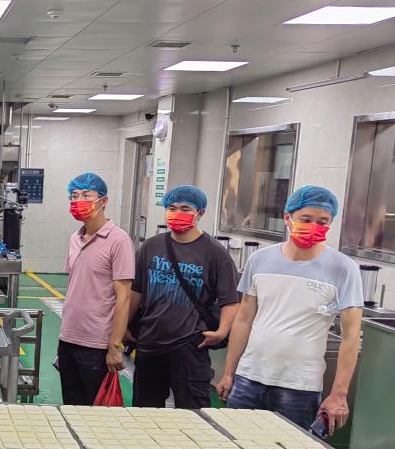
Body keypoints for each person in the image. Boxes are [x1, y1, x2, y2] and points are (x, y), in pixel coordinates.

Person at [217, 185, 363, 433]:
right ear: (287, 218)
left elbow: (351, 336)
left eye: (323, 221)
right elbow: (244, 319)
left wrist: (339, 394)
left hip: (299, 387)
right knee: (235, 445)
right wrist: (229, 372)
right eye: (306, 219)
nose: (314, 226)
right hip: (249, 377)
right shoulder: (259, 260)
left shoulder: (343, 268)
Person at [129, 185, 239, 408]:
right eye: (172, 208)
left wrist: (221, 331)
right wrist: (123, 326)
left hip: (190, 345)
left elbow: (230, 300)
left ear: (200, 213)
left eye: (185, 208)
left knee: (193, 414)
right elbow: (135, 291)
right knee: (144, 412)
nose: (177, 213)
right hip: (150, 342)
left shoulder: (215, 253)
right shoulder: (151, 247)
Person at [58, 172, 134, 405]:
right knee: (71, 405)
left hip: (96, 343)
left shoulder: (119, 241)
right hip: (68, 337)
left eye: (86, 195)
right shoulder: (75, 238)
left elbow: (124, 298)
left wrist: (115, 346)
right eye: (74, 196)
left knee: (94, 411)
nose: (78, 200)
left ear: (103, 201)